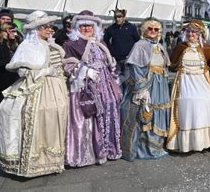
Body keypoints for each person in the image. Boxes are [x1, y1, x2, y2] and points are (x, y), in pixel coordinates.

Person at [0, 11, 69, 177]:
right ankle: (32, 164)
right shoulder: (28, 46)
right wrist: (44, 71)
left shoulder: (52, 45)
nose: (50, 30)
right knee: (35, 118)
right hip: (35, 89)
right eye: (46, 27)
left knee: (54, 119)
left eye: (50, 27)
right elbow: (22, 72)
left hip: (56, 89)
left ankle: (51, 162)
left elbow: (59, 66)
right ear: (36, 29)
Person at [63, 10, 122, 167]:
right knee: (93, 113)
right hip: (86, 86)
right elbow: (66, 65)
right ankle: (97, 151)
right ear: (77, 27)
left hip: (106, 83)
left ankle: (110, 148)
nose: (87, 29)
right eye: (83, 26)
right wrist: (85, 71)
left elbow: (109, 62)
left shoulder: (100, 43)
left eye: (90, 26)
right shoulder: (71, 44)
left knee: (110, 109)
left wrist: (113, 72)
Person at [166, 20, 210, 153]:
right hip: (185, 81)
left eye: (194, 32)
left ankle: (205, 141)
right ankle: (187, 143)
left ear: (200, 34)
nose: (191, 34)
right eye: (189, 31)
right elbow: (172, 65)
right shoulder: (181, 47)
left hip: (202, 81)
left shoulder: (206, 48)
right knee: (190, 101)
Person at [120, 19, 171, 161]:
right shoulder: (139, 45)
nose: (153, 32)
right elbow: (135, 68)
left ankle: (157, 147)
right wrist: (141, 89)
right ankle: (145, 149)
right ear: (144, 30)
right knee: (146, 114)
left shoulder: (160, 46)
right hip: (148, 85)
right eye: (150, 29)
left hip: (160, 85)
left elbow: (165, 66)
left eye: (156, 29)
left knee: (159, 113)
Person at [103, 9, 140, 81]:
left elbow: (137, 41)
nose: (117, 19)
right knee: (117, 79)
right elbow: (105, 40)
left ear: (124, 17)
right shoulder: (111, 28)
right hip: (116, 60)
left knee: (128, 80)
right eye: (116, 17)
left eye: (119, 17)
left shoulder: (131, 27)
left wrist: (134, 55)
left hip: (128, 59)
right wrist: (110, 51)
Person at [0, 22, 21, 106]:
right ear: (5, 31)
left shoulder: (13, 44)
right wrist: (12, 61)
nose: (15, 34)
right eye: (13, 31)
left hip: (12, 81)